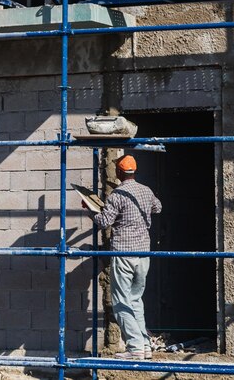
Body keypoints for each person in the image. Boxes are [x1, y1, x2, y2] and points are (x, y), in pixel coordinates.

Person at [83, 154, 162, 360]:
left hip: (124, 253)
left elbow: (104, 221)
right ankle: (144, 345)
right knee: (136, 300)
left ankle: (135, 347)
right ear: (134, 172)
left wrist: (90, 210)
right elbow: (158, 207)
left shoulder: (117, 194)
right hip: (143, 253)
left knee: (120, 302)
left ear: (119, 172)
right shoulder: (145, 190)